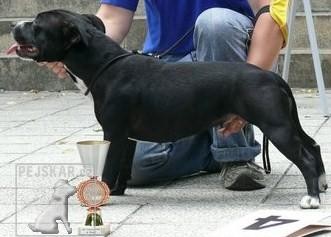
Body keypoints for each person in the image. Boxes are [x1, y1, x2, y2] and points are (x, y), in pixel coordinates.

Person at [46, 0, 287, 190]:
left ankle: (236, 156)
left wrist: (247, 92)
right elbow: (112, 16)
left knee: (215, 22)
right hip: (168, 71)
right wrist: (71, 48)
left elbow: (271, 15)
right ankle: (209, 144)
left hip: (232, 60)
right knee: (137, 168)